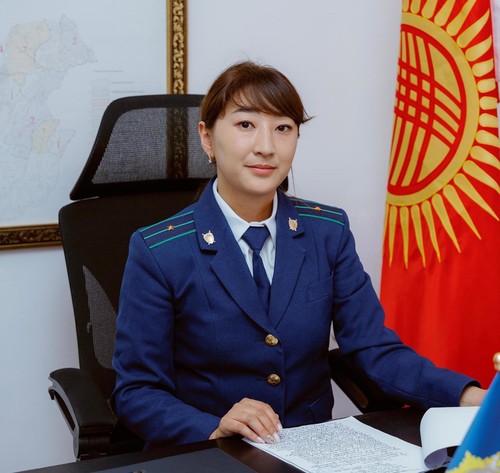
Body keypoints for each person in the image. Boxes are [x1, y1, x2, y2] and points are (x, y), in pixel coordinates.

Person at [112, 61, 486, 449]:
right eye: (245, 124)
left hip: (311, 450)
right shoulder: (160, 250)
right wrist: (213, 428)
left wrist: (471, 397)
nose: (266, 146)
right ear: (206, 138)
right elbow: (137, 391)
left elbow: (373, 348)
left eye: (283, 128)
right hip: (212, 453)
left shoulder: (328, 232)